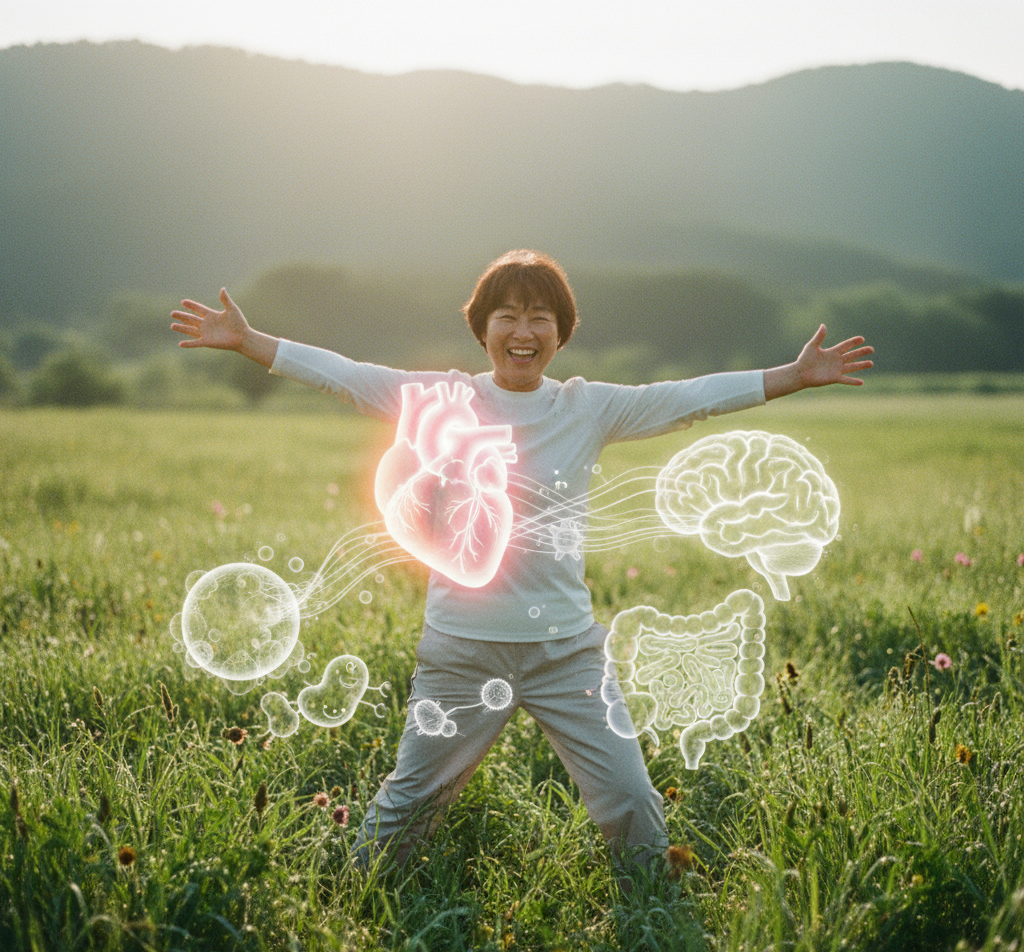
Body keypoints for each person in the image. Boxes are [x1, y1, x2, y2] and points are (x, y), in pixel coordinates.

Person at [171, 249, 872, 877]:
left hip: (568, 654)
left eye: (540, 317)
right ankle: (353, 897)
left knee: (631, 798)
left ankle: (655, 910)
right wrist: (250, 342)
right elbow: (347, 377)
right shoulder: (442, 400)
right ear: (482, 330)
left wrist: (793, 376)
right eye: (507, 316)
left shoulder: (586, 409)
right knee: (408, 804)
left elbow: (687, 399)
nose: (523, 331)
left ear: (561, 334)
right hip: (462, 652)